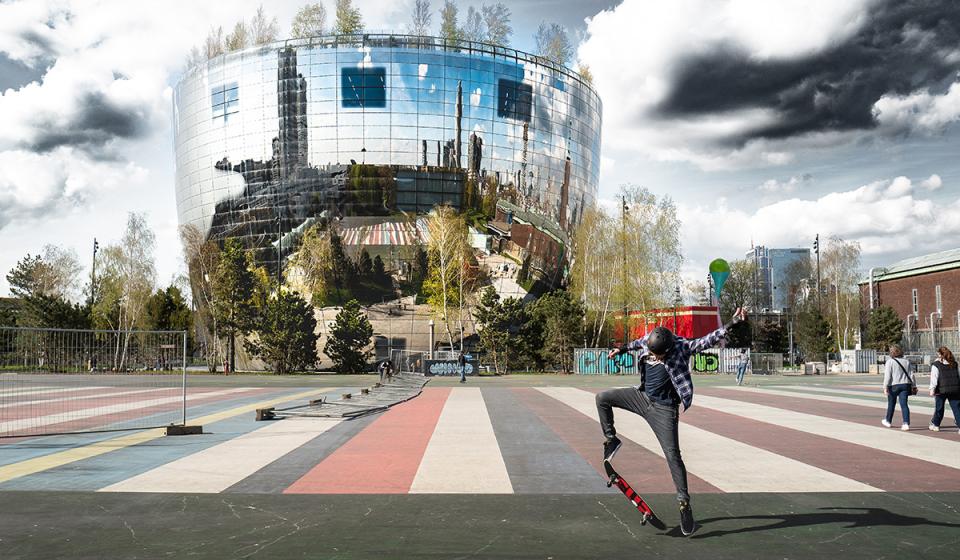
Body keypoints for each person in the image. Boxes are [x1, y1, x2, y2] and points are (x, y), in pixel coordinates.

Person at [599, 307, 748, 537]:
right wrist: (619, 351)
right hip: (642, 398)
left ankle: (684, 504)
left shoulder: (681, 347)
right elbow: (635, 344)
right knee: (602, 398)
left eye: (660, 356)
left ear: (668, 349)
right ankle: (611, 439)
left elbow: (707, 340)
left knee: (673, 456)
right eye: (653, 354)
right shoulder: (649, 341)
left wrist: (733, 323)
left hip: (664, 410)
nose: (656, 358)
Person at [882, 344, 916, 431]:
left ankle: (888, 421)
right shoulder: (906, 361)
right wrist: (914, 385)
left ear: (892, 353)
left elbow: (888, 376)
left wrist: (885, 387)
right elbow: (911, 375)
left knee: (891, 404)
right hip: (905, 385)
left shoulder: (890, 362)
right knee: (904, 405)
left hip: (893, 386)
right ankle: (906, 423)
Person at [928, 346, 960, 433]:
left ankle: (936, 425)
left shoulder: (936, 364)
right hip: (955, 389)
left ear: (940, 354)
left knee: (939, 408)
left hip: (941, 390)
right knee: (957, 408)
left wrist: (932, 389)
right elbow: (958, 375)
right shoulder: (954, 363)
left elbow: (934, 378)